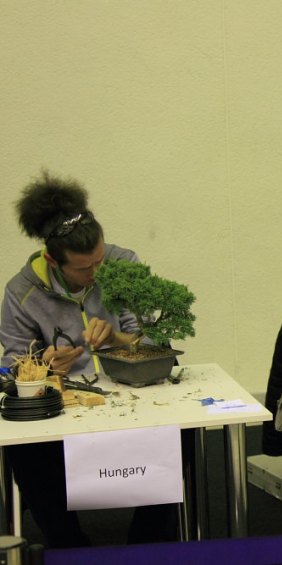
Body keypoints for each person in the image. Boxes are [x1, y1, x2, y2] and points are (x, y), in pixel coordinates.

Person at [0, 171, 180, 547]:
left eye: (99, 260)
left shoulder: (122, 263)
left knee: (182, 434)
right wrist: (43, 366)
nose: (96, 273)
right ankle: (68, 545)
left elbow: (153, 340)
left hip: (132, 390)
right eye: (84, 268)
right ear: (52, 260)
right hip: (64, 403)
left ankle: (148, 542)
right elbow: (12, 363)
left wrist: (115, 338)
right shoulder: (22, 291)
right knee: (26, 453)